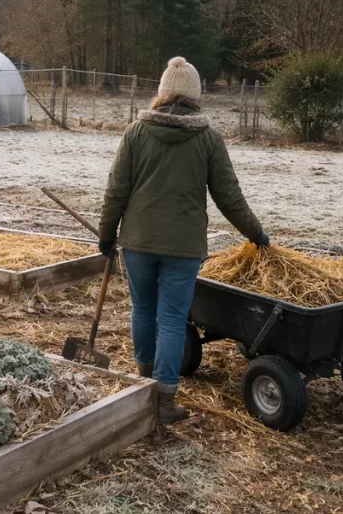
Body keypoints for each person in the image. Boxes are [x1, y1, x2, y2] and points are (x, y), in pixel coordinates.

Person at [98, 57, 268, 425]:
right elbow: (229, 197)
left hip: (138, 242)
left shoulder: (136, 133)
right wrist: (255, 233)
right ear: (196, 96)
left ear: (161, 93)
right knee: (172, 318)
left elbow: (116, 191)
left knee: (143, 310)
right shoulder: (207, 139)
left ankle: (142, 383)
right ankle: (163, 399)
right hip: (183, 247)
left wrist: (106, 234)